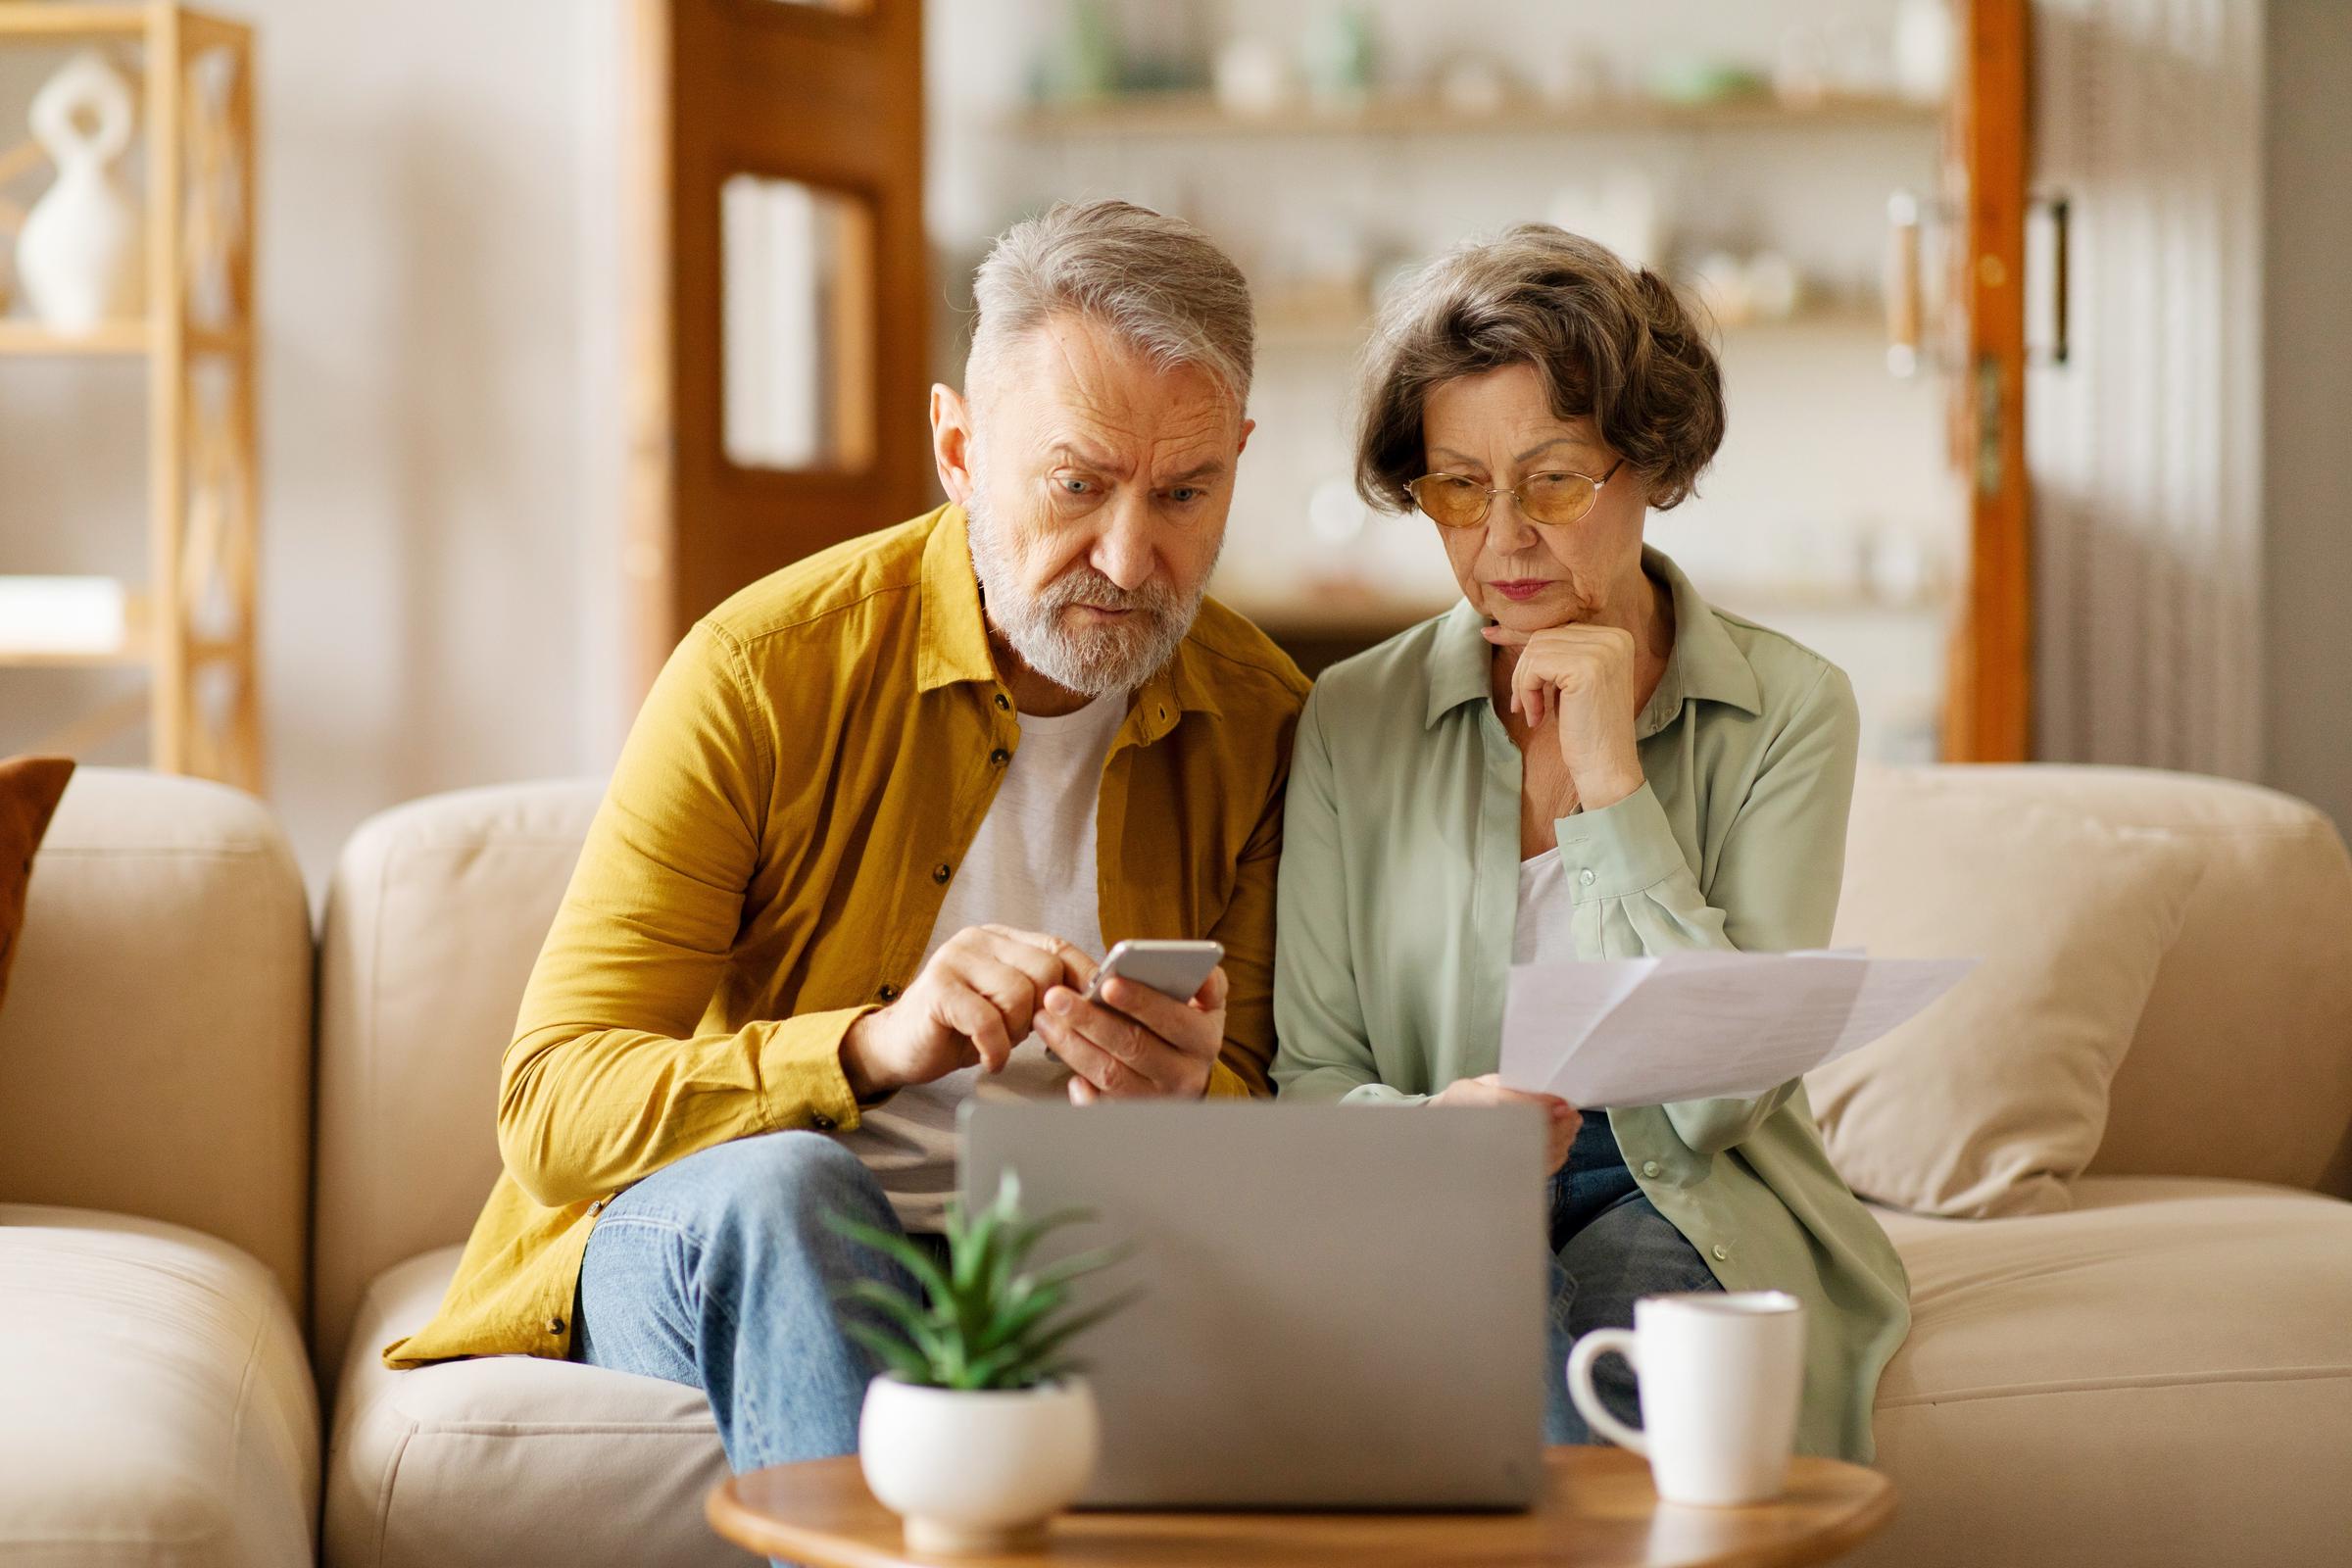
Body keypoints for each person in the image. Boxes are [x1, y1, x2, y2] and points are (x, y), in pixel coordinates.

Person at [385, 200, 1309, 1476]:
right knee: (791, 1194)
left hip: (1055, 1261)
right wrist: (871, 1048)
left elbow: (1278, 1115)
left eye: (1184, 493)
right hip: (741, 1232)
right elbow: (553, 1106)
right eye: (1077, 485)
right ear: (958, 447)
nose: (1129, 553)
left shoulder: (1267, 722)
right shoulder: (763, 669)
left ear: (1239, 462)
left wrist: (1188, 1097)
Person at [1270, 225, 1909, 1461]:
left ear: (1653, 466)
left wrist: (1613, 783)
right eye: (1455, 487)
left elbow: (1725, 1097)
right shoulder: (1352, 715)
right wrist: (1443, 1132)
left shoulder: (1792, 709)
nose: (1502, 536)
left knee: (1611, 1395)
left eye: (1553, 480)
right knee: (1471, 1322)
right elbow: (1313, 1071)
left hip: (1679, 1188)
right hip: (1441, 1181)